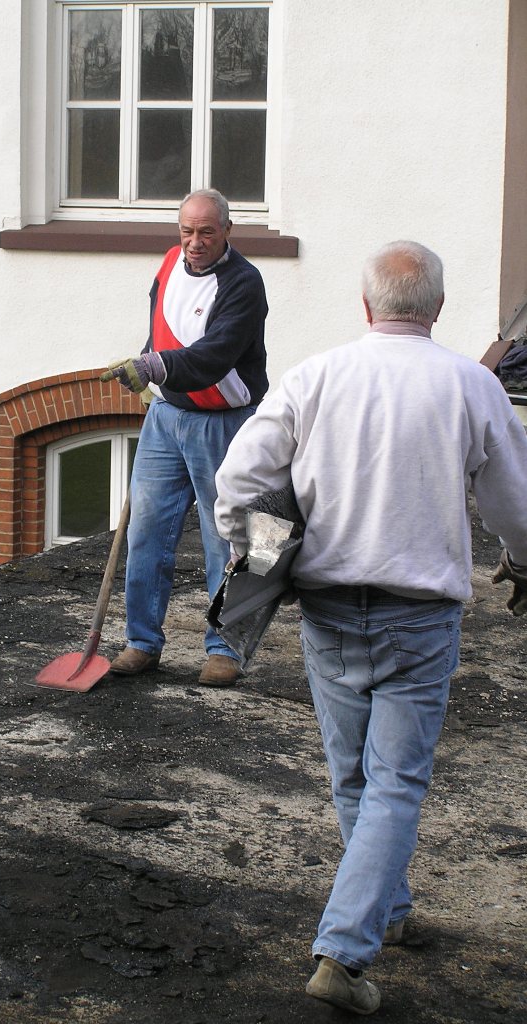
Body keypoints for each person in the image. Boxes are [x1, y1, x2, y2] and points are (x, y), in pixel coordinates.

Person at [213, 240, 527, 1013]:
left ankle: (387, 908)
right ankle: (343, 955)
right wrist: (523, 560)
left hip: (326, 607)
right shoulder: (472, 385)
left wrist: (257, 556)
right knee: (395, 782)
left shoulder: (315, 376)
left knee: (354, 775)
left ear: (366, 305)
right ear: (438, 309)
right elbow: (514, 505)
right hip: (419, 618)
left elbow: (237, 482)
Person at [101, 188, 269, 686]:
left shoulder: (244, 284)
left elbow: (215, 356)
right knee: (146, 530)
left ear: (227, 231)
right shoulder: (169, 264)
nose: (194, 242)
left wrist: (155, 366)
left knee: (227, 537)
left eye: (206, 233)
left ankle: (225, 649)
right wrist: (147, 370)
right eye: (187, 231)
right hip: (166, 416)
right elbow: (161, 331)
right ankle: (142, 641)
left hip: (222, 423)